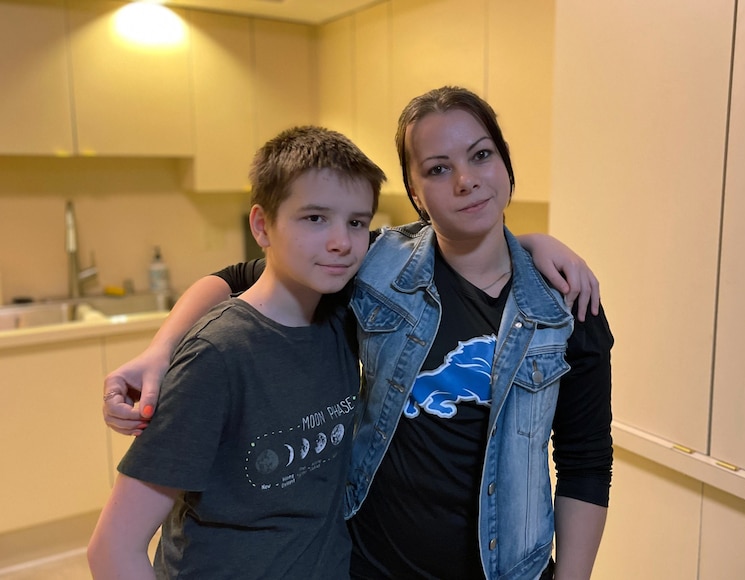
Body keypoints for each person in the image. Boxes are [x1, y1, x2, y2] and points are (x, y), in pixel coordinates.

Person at [103, 87, 612, 580]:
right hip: (372, 563)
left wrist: (529, 244)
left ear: (504, 163)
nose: (465, 180)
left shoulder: (567, 303)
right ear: (415, 192)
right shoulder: (375, 264)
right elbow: (242, 276)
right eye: (438, 168)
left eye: (481, 155)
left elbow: (584, 461)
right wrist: (160, 351)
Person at [87, 126, 386, 579]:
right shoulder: (217, 356)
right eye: (314, 218)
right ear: (262, 226)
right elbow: (112, 550)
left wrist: (532, 245)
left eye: (357, 222)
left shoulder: (341, 312)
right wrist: (164, 349)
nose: (341, 242)